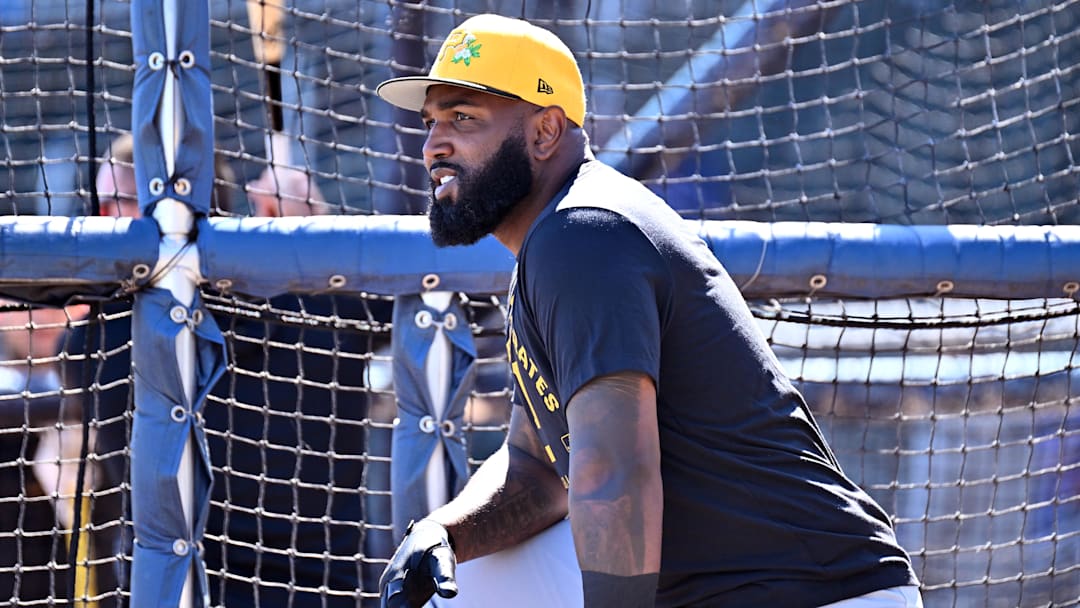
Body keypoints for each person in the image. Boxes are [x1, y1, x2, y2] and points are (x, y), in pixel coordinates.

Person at [373, 14, 922, 608]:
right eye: (431, 122)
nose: (433, 145)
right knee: (459, 588)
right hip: (736, 586)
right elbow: (538, 466)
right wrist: (446, 529)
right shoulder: (557, 240)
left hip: (812, 591)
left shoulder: (583, 233)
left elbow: (612, 476)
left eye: (464, 118)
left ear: (545, 131)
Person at [63, 134, 380, 607]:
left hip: (294, 589)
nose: (104, 217)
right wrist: (311, 238)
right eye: (102, 203)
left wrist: (299, 251)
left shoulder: (92, 339)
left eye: (120, 202)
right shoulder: (319, 301)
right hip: (250, 591)